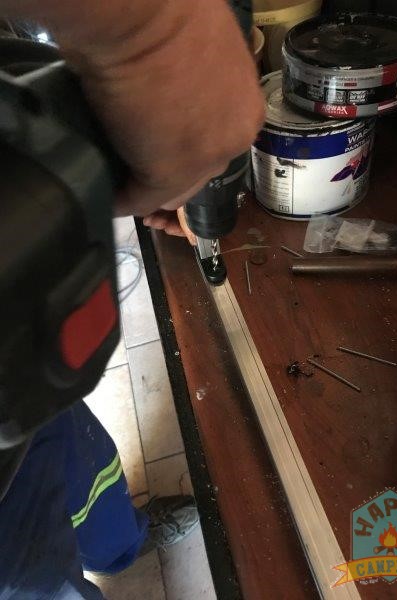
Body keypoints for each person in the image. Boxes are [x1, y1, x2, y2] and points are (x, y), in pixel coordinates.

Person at [0, 0, 265, 597]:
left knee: (77, 457)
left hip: (24, 391)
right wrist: (153, 30)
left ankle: (121, 543)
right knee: (37, 582)